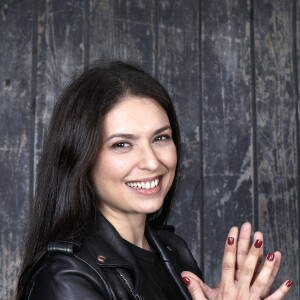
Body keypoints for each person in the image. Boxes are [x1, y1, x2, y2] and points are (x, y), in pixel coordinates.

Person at [17, 61, 292, 300]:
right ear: (81, 159)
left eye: (160, 138)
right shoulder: (64, 276)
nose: (152, 162)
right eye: (122, 144)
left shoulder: (175, 252)